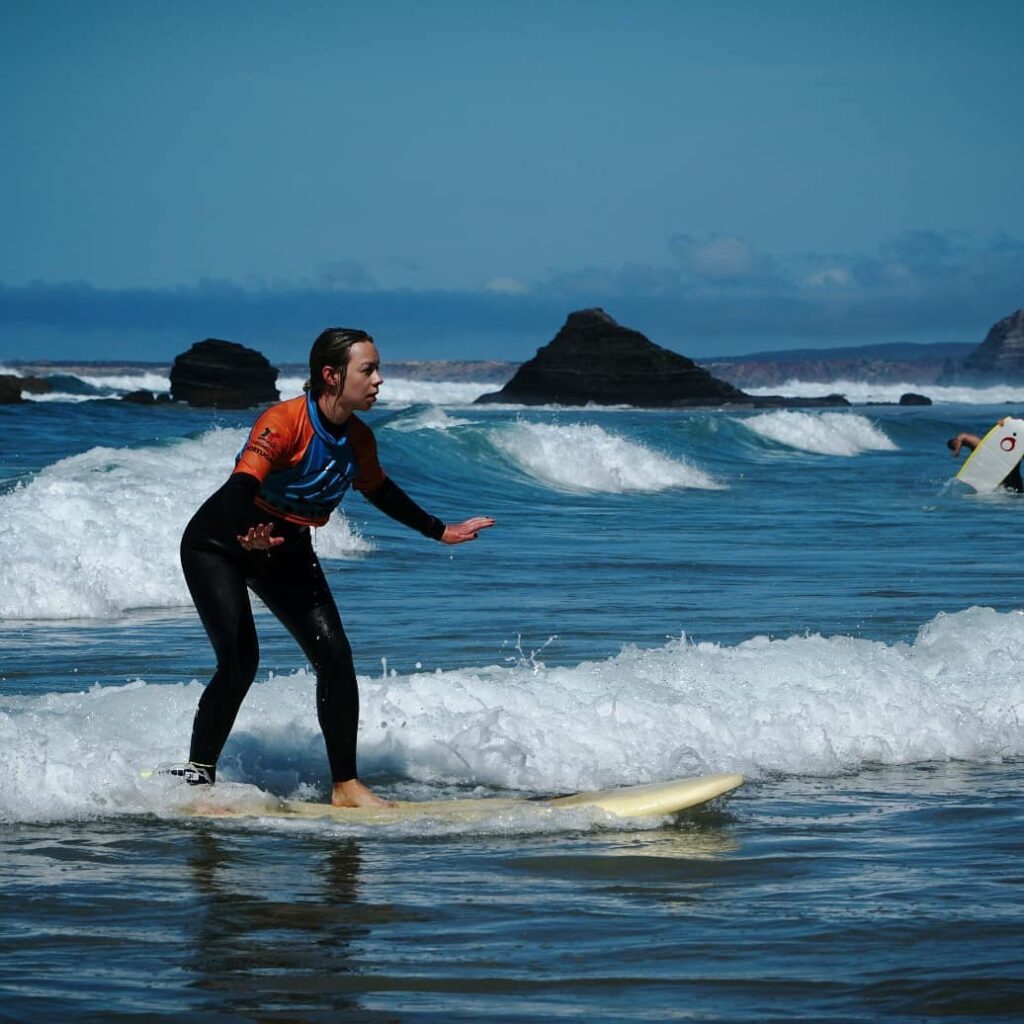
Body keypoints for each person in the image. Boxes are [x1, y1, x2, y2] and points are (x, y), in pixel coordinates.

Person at [176, 327, 495, 808]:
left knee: (336, 659)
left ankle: (346, 786)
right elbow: (243, 485)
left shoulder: (359, 440)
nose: (378, 380)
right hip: (218, 545)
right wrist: (248, 533)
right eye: (367, 370)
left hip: (285, 547)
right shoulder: (283, 423)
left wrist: (440, 530)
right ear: (331, 375)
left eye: (377, 369)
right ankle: (198, 777)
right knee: (241, 661)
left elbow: (381, 492)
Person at [947, 423, 1023, 491]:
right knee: (1005, 475)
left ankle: (1011, 486)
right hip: (988, 453)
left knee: (1010, 472)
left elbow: (958, 448)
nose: (957, 447)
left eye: (954, 446)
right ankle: (1007, 486)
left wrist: (956, 452)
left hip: (990, 450)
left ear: (954, 442)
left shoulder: (961, 436)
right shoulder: (970, 446)